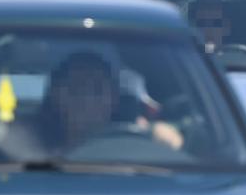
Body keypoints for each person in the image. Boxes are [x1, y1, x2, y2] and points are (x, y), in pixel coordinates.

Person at [43, 52, 183, 151]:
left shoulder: (143, 143)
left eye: (97, 90)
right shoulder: (31, 151)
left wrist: (158, 135)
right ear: (56, 96)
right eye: (77, 89)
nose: (88, 99)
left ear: (114, 98)